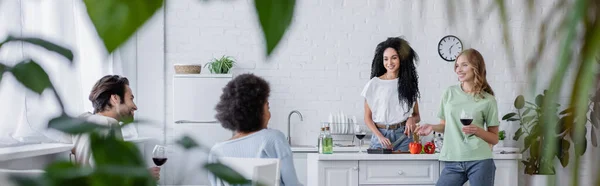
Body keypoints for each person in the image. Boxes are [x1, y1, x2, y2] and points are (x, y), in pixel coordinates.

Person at [416, 48, 499, 186]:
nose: (458, 69)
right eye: (457, 65)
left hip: (480, 160)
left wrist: (477, 131)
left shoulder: (488, 100)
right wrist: (432, 127)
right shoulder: (449, 93)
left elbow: (494, 138)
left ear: (476, 67)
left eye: (464, 65)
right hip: (453, 160)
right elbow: (445, 125)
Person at [208, 73, 302, 186]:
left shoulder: (217, 151)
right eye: (268, 107)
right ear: (256, 111)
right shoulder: (273, 139)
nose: (269, 114)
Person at [72, 75, 160, 180]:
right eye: (131, 99)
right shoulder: (110, 124)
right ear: (115, 98)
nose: (135, 106)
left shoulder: (83, 121)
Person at [361, 37, 421, 152]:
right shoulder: (374, 84)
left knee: (406, 170)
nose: (389, 63)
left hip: (404, 136)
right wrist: (380, 136)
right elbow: (367, 118)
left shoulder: (409, 85)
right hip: (380, 136)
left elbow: (417, 115)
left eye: (394, 58)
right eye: (386, 59)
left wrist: (411, 119)